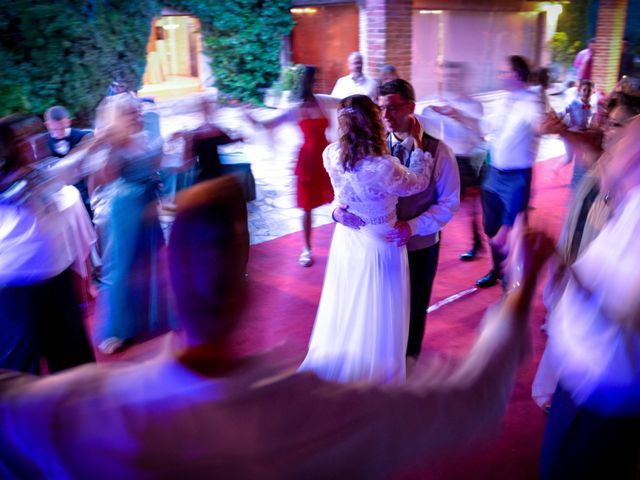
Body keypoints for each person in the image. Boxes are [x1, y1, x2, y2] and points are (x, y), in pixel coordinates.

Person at [0, 175, 556, 480]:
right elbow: (471, 399)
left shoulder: (80, 413)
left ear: (164, 276)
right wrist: (521, 289)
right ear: (246, 287)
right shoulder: (320, 408)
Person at [300, 94, 431, 383]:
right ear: (374, 123)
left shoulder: (332, 154)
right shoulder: (382, 166)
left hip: (347, 239)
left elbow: (339, 197)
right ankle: (373, 376)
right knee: (378, 314)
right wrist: (419, 145)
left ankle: (346, 363)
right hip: (380, 242)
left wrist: (336, 213)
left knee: (347, 304)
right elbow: (419, 183)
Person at [539, 116, 640, 480]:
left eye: (620, 142)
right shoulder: (630, 205)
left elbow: (627, 312)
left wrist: (556, 258)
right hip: (583, 376)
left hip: (605, 392)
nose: (608, 150)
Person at [335, 79, 460, 362]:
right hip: (378, 250)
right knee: (378, 312)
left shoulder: (439, 152)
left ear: (411, 107)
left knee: (413, 312)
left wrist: (413, 226)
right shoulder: (368, 148)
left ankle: (408, 366)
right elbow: (345, 187)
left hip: (418, 247)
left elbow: (449, 204)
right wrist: (336, 211)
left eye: (393, 108)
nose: (386, 116)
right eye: (380, 109)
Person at [0, 113, 95, 374]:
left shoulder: (40, 173)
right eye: (23, 139)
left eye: (36, 134)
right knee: (22, 364)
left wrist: (93, 142)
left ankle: (79, 407)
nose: (35, 141)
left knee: (72, 354)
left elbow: (69, 168)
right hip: (18, 285)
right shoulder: (8, 184)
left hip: (55, 275)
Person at [90, 93, 173, 354]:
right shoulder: (114, 143)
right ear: (118, 118)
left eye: (137, 111)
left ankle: (146, 316)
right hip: (125, 208)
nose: (138, 116)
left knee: (149, 260)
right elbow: (102, 178)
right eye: (131, 113)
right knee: (122, 266)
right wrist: (108, 147)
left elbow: (156, 166)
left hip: (148, 204)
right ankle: (117, 329)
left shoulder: (145, 135)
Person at [246, 66, 334, 266]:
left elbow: (344, 103)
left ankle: (343, 243)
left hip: (327, 158)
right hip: (308, 162)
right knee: (307, 208)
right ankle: (307, 248)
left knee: (339, 201)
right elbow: (269, 124)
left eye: (315, 79)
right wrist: (252, 119)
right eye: (312, 80)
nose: (315, 83)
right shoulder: (295, 109)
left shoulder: (322, 100)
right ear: (304, 82)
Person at [476, 56, 543, 289]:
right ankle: (496, 270)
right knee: (491, 228)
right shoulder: (503, 100)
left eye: (504, 72)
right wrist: (459, 115)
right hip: (493, 173)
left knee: (512, 232)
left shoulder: (531, 102)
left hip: (517, 177)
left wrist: (546, 125)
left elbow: (539, 124)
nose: (500, 76)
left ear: (516, 74)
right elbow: (485, 127)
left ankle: (511, 280)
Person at [421, 61, 486, 261]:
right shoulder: (431, 104)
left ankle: (476, 241)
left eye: (455, 75)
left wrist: (459, 116)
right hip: (438, 161)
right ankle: (430, 242)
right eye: (446, 75)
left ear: (462, 78)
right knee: (432, 205)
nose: (450, 79)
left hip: (462, 161)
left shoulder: (473, 105)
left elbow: (478, 137)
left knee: (467, 207)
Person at [43, 106, 93, 216]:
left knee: (86, 206)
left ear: (68, 122)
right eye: (55, 129)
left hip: (82, 182)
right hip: (62, 186)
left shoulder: (81, 136)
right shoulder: (45, 142)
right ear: (47, 125)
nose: (59, 132)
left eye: (62, 128)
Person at [557, 79, 594, 188]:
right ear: (580, 90)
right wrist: (559, 118)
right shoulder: (574, 103)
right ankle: (556, 169)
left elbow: (588, 118)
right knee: (569, 158)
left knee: (579, 159)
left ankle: (575, 182)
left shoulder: (589, 105)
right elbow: (563, 111)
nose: (586, 92)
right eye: (584, 90)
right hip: (571, 134)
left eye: (589, 90)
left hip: (581, 135)